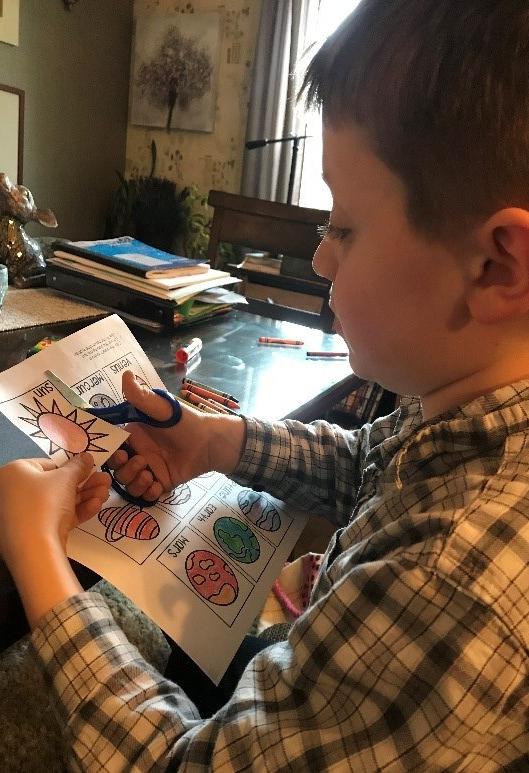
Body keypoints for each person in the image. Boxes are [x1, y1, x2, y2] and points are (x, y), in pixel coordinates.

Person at [1, 0, 529, 768]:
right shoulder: (471, 410)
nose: (320, 259)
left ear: (496, 267)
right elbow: (367, 468)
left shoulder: (452, 584)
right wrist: (213, 439)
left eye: (343, 226)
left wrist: (36, 556)